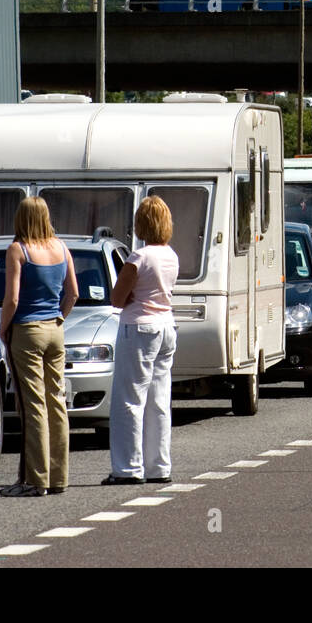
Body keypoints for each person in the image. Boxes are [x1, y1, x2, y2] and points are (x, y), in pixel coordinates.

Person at [0, 197, 78, 497]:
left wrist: (3, 328)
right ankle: (58, 477)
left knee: (33, 405)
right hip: (55, 329)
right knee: (56, 401)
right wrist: (59, 317)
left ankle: (35, 479)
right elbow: (73, 293)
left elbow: (13, 299)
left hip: (28, 331)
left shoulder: (18, 250)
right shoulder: (61, 247)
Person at [105, 196, 180, 486]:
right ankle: (159, 465)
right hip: (165, 326)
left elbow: (116, 297)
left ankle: (128, 468)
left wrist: (130, 295)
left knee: (129, 399)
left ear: (141, 223)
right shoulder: (171, 255)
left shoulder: (139, 257)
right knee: (159, 400)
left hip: (138, 328)